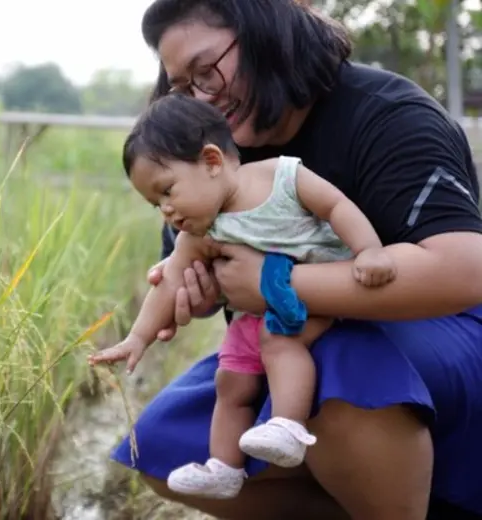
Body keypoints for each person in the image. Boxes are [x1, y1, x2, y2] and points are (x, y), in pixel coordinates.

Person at [108, 1, 482, 519]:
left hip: (440, 332)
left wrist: (276, 282)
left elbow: (466, 270)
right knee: (160, 447)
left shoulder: (389, 115)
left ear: (268, 33)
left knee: (335, 372)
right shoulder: (215, 152)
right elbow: (195, 268)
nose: (203, 97)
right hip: (286, 339)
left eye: (207, 70)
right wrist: (194, 292)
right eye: (183, 86)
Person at [89, 93, 396, 499]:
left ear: (212, 161)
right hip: (253, 313)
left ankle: (288, 425)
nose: (165, 209)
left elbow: (337, 207)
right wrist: (137, 338)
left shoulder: (281, 178)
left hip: (315, 294)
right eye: (154, 204)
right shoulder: (198, 233)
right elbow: (169, 281)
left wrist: (369, 251)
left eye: (167, 191)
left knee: (278, 341)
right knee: (229, 382)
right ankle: (224, 467)